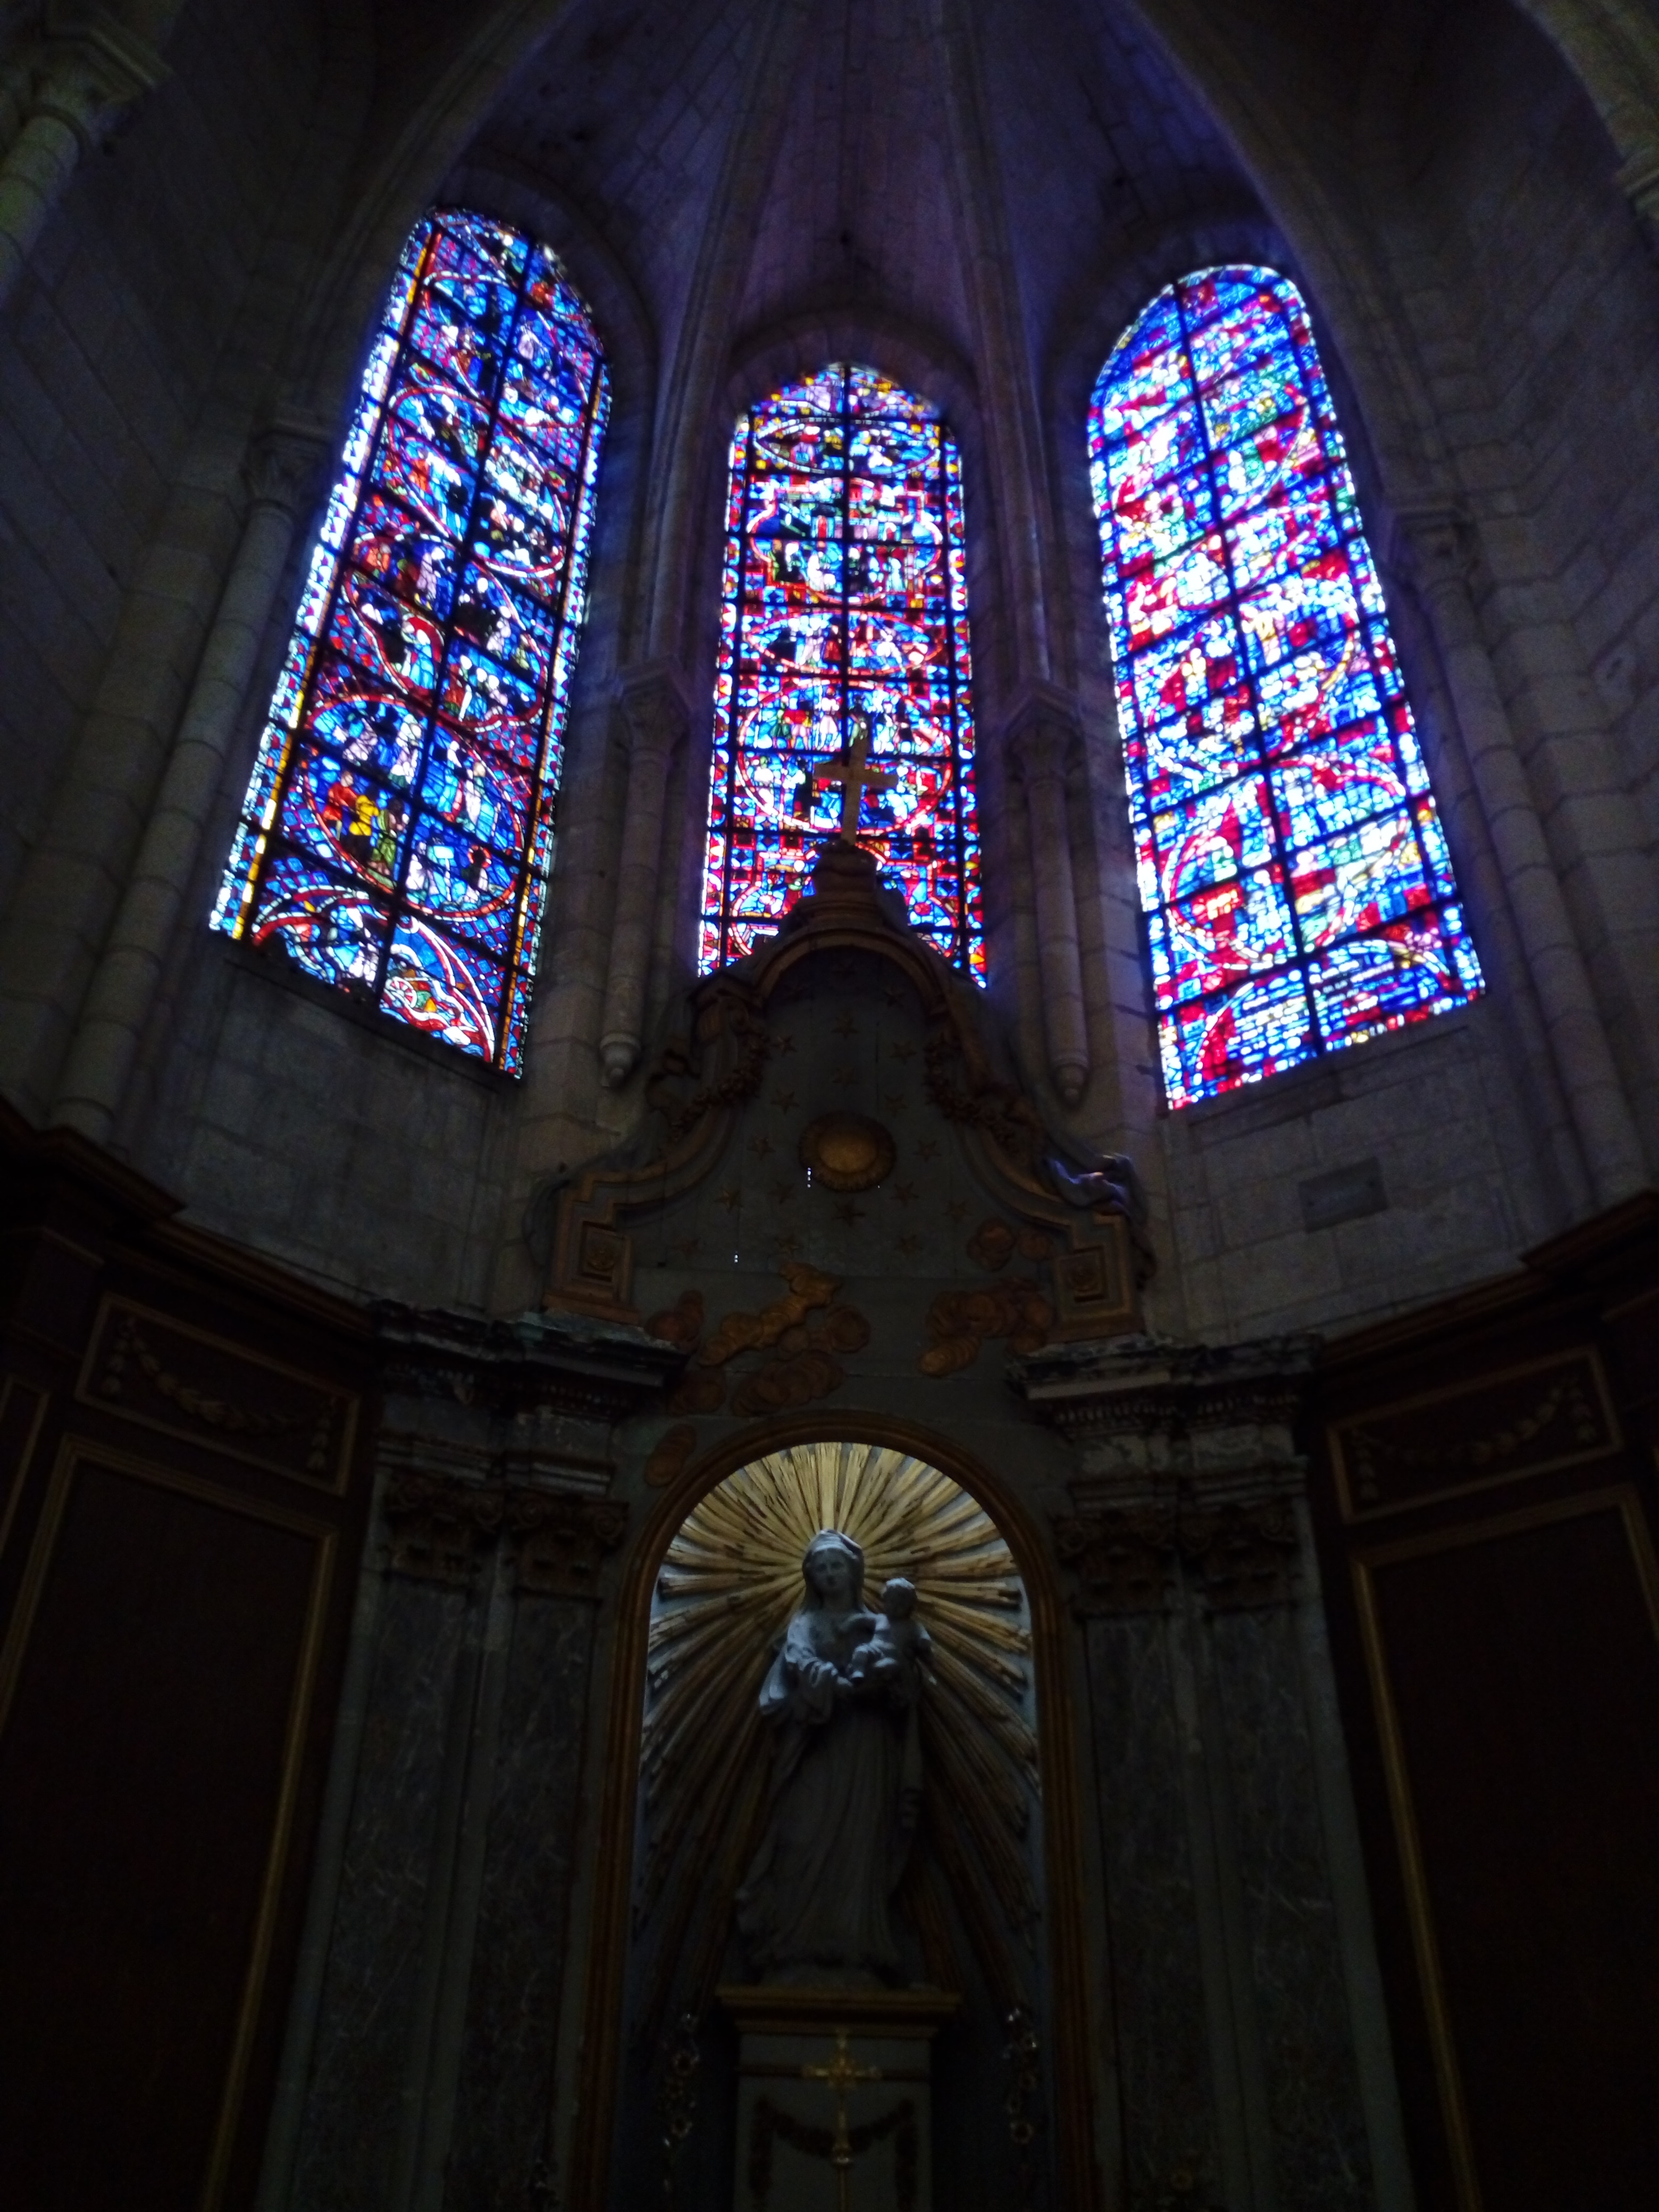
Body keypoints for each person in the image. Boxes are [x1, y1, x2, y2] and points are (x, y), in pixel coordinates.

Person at [735, 1530, 926, 1984]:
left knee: (860, 1844)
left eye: (837, 1566)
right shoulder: (805, 1624)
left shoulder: (879, 1625)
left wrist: (891, 1682)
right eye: (821, 1569)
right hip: (816, 1744)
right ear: (811, 1578)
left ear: (854, 1572)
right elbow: (797, 1662)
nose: (829, 1575)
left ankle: (857, 1947)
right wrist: (831, 1683)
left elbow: (908, 1685)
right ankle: (794, 1944)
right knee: (801, 1833)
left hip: (867, 1744)